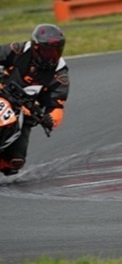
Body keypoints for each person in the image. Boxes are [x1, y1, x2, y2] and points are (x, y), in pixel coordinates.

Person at [0, 24, 70, 176]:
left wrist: (49, 119)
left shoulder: (60, 74)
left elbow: (57, 106)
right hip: (2, 93)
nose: (50, 56)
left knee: (15, 162)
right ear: (35, 47)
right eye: (46, 51)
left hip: (25, 112)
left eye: (55, 51)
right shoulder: (19, 50)